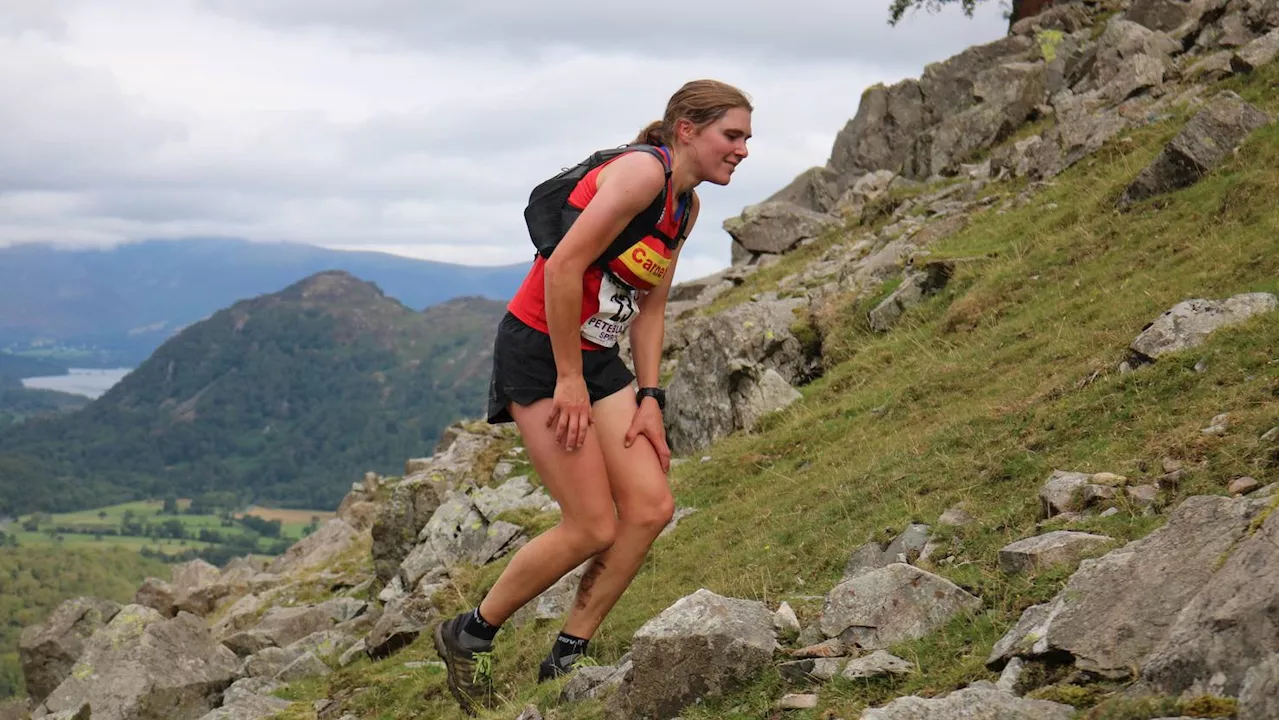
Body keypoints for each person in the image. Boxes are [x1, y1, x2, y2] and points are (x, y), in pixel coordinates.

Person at [432, 78, 753, 714]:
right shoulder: (640, 174)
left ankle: (568, 653)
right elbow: (560, 268)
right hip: (540, 350)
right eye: (732, 135)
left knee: (650, 505)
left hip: (597, 355)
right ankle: (469, 633)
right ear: (686, 129)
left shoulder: (683, 206)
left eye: (747, 138)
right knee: (590, 524)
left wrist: (651, 397)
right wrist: (568, 378)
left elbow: (650, 309)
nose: (743, 150)